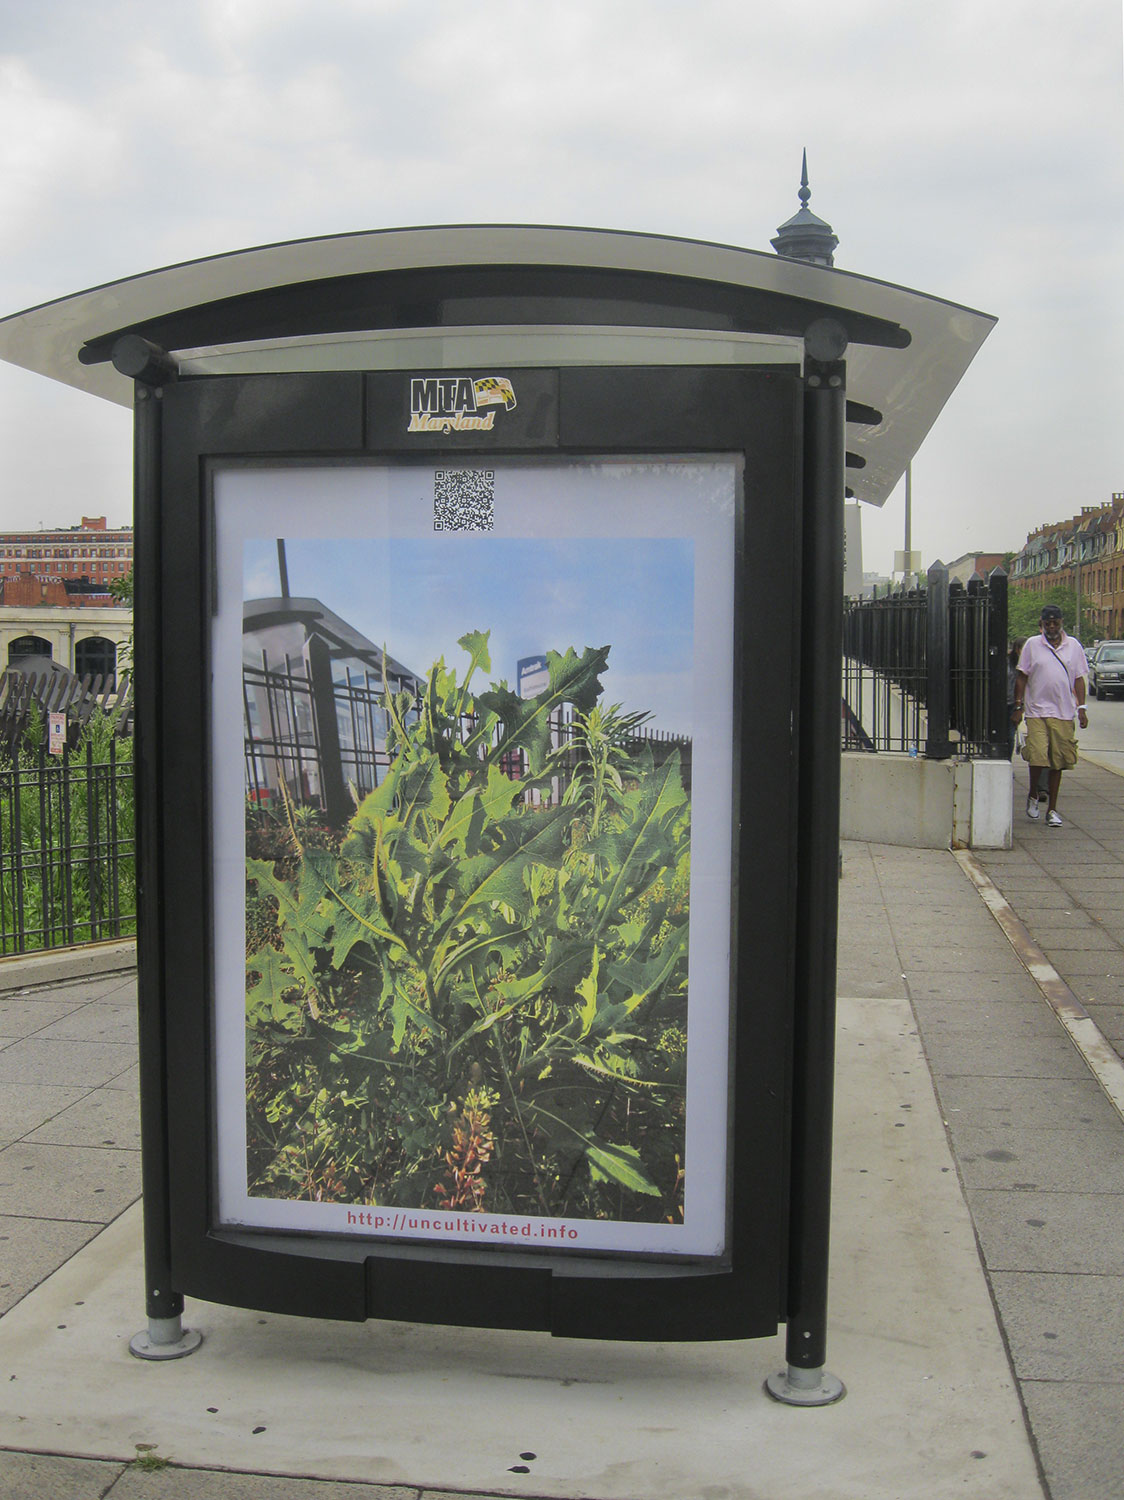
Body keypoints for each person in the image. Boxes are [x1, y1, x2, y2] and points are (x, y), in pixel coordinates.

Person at [1011, 605, 1088, 828]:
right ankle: (1034, 793)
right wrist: (1019, 706)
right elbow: (1022, 676)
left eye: (1055, 623)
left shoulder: (1073, 646)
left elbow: (1079, 679)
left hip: (1063, 712)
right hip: (1037, 711)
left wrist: (1082, 708)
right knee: (1037, 756)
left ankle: (1052, 809)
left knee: (1058, 761)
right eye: (1048, 624)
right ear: (1042, 624)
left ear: (1061, 622)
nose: (1052, 627)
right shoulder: (1033, 645)